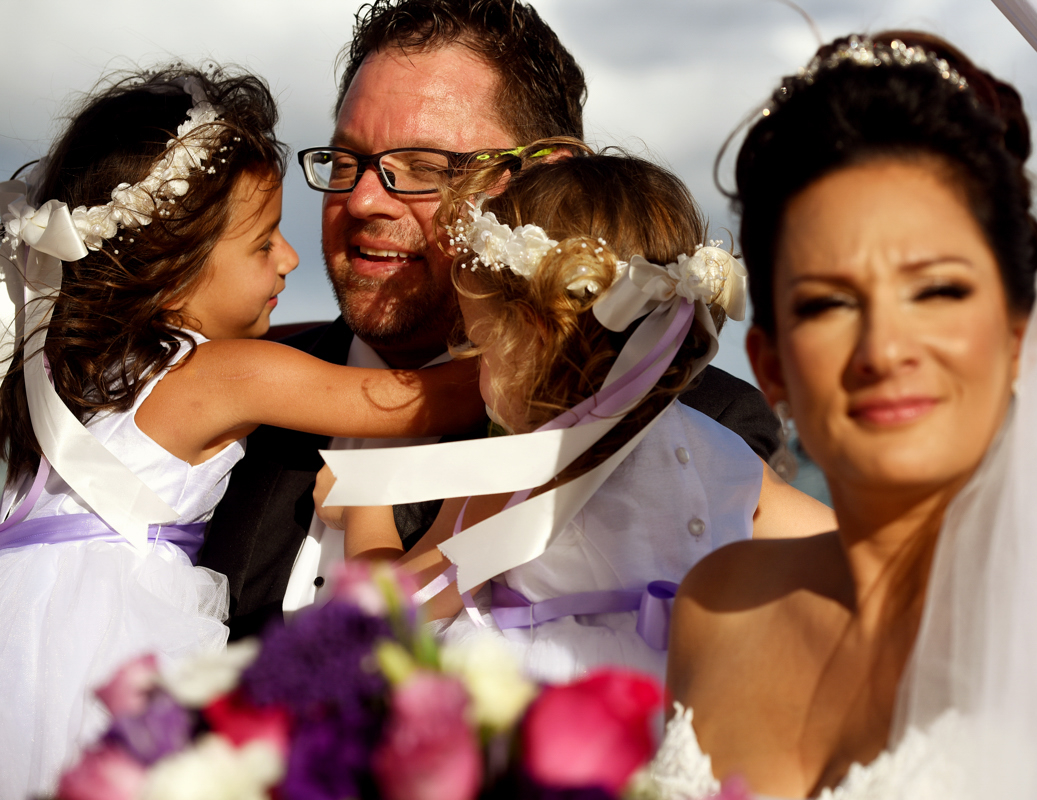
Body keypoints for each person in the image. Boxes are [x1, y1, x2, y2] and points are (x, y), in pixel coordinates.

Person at [649, 32, 1037, 799]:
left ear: (1019, 336)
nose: (884, 348)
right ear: (770, 365)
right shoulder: (718, 604)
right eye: (829, 303)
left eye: (937, 290)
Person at [199, 0, 782, 641]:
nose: (362, 200)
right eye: (346, 162)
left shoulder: (695, 428)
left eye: (424, 169)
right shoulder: (233, 391)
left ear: (549, 183)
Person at [0, 66, 481, 799]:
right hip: (108, 640)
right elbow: (410, 400)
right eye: (263, 245)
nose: (290, 259)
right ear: (170, 272)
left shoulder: (53, 363)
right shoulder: (218, 373)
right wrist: (533, 334)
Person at [317, 143, 836, 684]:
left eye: (480, 344)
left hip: (565, 711)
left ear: (531, 338)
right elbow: (846, 553)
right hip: (703, 694)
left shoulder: (526, 469)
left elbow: (387, 617)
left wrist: (365, 509)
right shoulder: (723, 452)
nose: (476, 368)